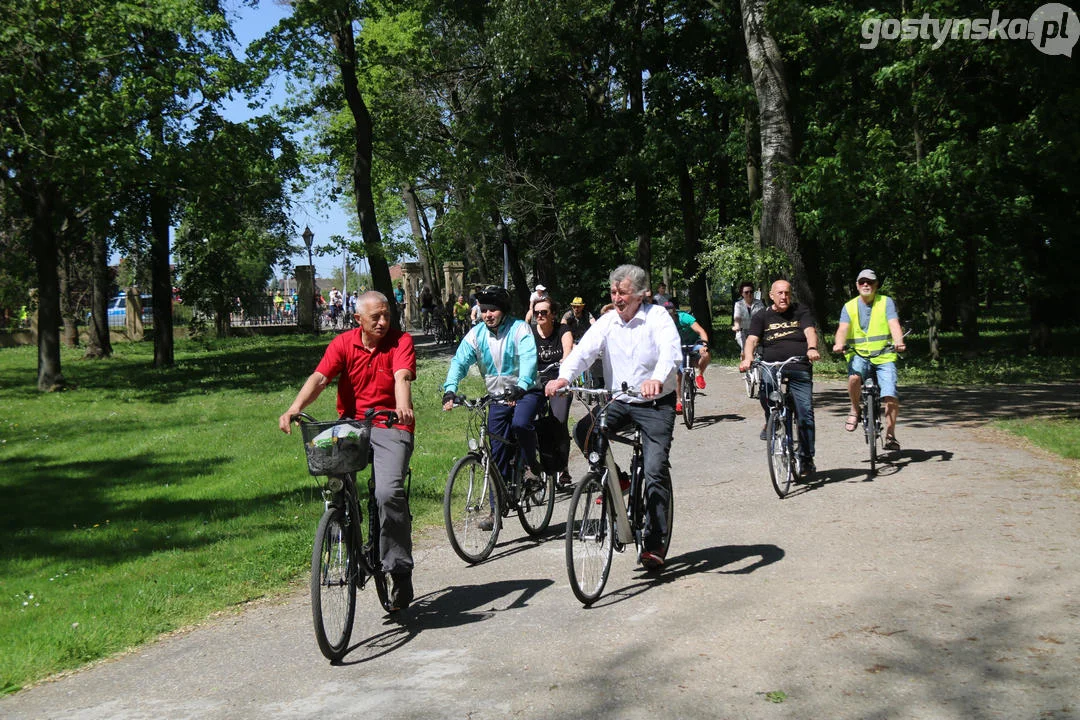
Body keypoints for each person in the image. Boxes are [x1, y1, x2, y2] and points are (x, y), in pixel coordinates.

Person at [278, 291, 417, 611]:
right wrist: (294, 407)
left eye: (386, 315)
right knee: (334, 478)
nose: (383, 322)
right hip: (352, 426)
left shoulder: (400, 342)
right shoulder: (343, 344)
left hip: (391, 424)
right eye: (375, 317)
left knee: (387, 492)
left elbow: (402, 376)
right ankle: (342, 524)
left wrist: (402, 405)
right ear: (358, 320)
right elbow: (320, 377)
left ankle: (399, 569)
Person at [546, 264, 680, 571]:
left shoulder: (657, 318)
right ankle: (617, 478)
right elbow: (583, 352)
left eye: (623, 293)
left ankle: (655, 541)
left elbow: (670, 353)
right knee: (584, 430)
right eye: (613, 292)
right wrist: (564, 377)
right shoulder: (608, 322)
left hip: (655, 402)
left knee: (655, 468)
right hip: (620, 400)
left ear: (642, 294)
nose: (616, 298)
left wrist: (657, 379)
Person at [442, 285, 542, 531]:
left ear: (503, 310)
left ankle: (532, 467)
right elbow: (460, 361)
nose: (487, 314)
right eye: (484, 310)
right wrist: (450, 389)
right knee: (495, 455)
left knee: (520, 423)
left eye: (493, 310)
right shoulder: (476, 335)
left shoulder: (520, 329)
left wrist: (521, 386)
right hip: (497, 396)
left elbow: (529, 359)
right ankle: (495, 511)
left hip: (526, 391)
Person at [738, 279, 821, 481]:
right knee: (766, 395)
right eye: (780, 293)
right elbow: (751, 340)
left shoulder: (801, 311)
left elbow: (810, 331)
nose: (784, 297)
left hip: (798, 365)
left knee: (805, 413)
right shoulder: (762, 316)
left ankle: (806, 458)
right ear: (772, 295)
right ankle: (773, 419)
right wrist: (748, 357)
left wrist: (811, 348)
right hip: (771, 366)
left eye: (787, 293)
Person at [831, 269, 907, 450]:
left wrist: (899, 341)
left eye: (870, 282)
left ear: (876, 285)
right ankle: (855, 408)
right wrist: (838, 344)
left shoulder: (886, 302)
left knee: (890, 393)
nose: (866, 285)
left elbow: (893, 324)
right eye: (862, 282)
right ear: (857, 285)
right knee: (854, 378)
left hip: (884, 355)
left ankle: (890, 435)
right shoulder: (849, 306)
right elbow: (842, 329)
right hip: (859, 354)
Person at [531, 296, 574, 488]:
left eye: (544, 312)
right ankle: (535, 465)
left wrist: (565, 363)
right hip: (536, 382)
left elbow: (568, 350)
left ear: (553, 314)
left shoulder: (562, 330)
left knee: (559, 420)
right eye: (536, 312)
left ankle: (563, 467)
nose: (539, 315)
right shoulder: (530, 333)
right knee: (530, 422)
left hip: (559, 382)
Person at [663, 300, 711, 414]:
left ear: (674, 310)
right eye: (666, 312)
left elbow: (701, 330)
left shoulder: (684, 317)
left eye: (670, 311)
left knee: (706, 354)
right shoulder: (663, 322)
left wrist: (704, 344)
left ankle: (700, 375)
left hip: (693, 344)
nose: (668, 314)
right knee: (678, 374)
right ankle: (678, 400)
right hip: (678, 348)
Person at [732, 281, 764, 353]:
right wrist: (737, 326)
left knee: (758, 350)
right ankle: (745, 359)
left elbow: (763, 316)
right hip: (743, 331)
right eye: (746, 292)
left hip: (756, 331)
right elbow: (737, 318)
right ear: (742, 294)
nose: (749, 294)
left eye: (751, 292)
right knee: (746, 349)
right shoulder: (738, 304)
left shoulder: (759, 303)